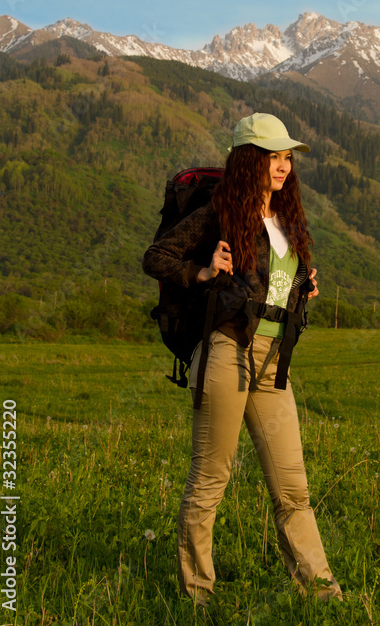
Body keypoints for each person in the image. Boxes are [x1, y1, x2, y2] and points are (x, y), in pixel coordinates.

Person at [142, 112, 342, 605]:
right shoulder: (219, 213)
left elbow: (274, 281)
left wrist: (302, 289)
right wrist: (203, 272)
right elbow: (157, 257)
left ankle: (322, 594)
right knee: (210, 480)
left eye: (287, 157)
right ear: (249, 160)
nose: (283, 166)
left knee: (293, 489)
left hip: (275, 360)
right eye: (273, 156)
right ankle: (198, 597)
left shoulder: (288, 218)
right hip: (227, 351)